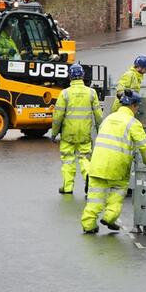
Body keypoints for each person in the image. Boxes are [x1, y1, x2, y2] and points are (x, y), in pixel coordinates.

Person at [81, 90, 146, 234]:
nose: (137, 109)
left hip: (98, 164)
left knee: (95, 198)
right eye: (137, 106)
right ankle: (110, 217)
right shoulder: (133, 123)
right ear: (133, 105)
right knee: (117, 193)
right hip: (117, 167)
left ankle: (88, 224)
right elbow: (144, 145)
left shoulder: (108, 118)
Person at [51, 64, 103, 196]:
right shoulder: (92, 93)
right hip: (84, 133)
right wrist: (99, 130)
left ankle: (67, 188)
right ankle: (88, 176)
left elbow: (58, 116)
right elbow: (98, 115)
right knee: (85, 158)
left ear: (70, 76)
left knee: (68, 159)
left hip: (68, 134)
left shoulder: (65, 94)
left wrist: (54, 132)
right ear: (83, 76)